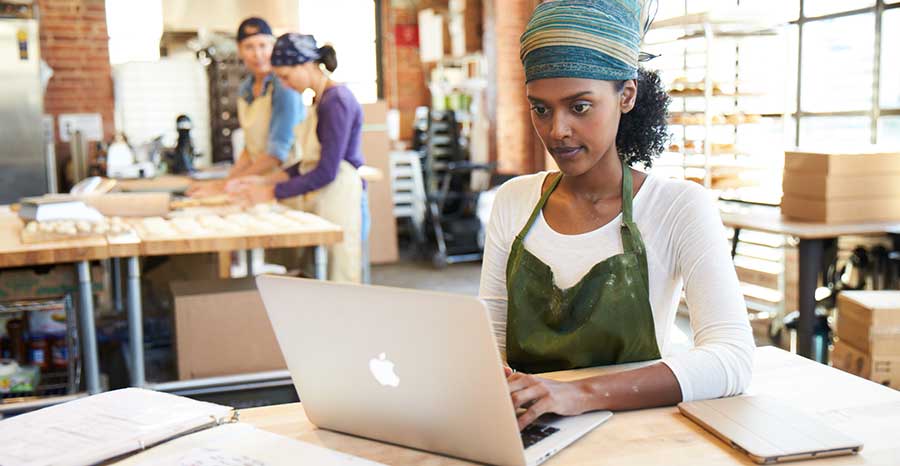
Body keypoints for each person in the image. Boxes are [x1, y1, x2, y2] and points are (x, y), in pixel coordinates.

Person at [478, 0, 755, 431]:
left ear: (626, 95)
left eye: (580, 106)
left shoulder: (678, 207)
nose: (558, 130)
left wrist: (576, 394)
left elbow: (732, 358)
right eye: (541, 108)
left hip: (639, 436)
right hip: (533, 432)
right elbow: (490, 343)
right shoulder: (514, 200)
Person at [228, 34, 368, 284]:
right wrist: (263, 182)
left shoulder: (337, 101)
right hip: (325, 196)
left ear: (305, 65)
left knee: (340, 280)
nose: (285, 84)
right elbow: (307, 165)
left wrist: (272, 192)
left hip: (340, 197)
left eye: (285, 76)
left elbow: (326, 171)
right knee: (317, 278)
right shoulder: (319, 99)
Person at [188, 17, 303, 197]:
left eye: (263, 46)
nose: (257, 54)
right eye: (249, 47)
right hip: (255, 185)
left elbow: (276, 154)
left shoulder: (284, 87)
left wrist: (224, 186)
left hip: (284, 186)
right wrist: (223, 183)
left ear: (273, 47)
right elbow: (250, 150)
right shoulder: (245, 90)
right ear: (239, 51)